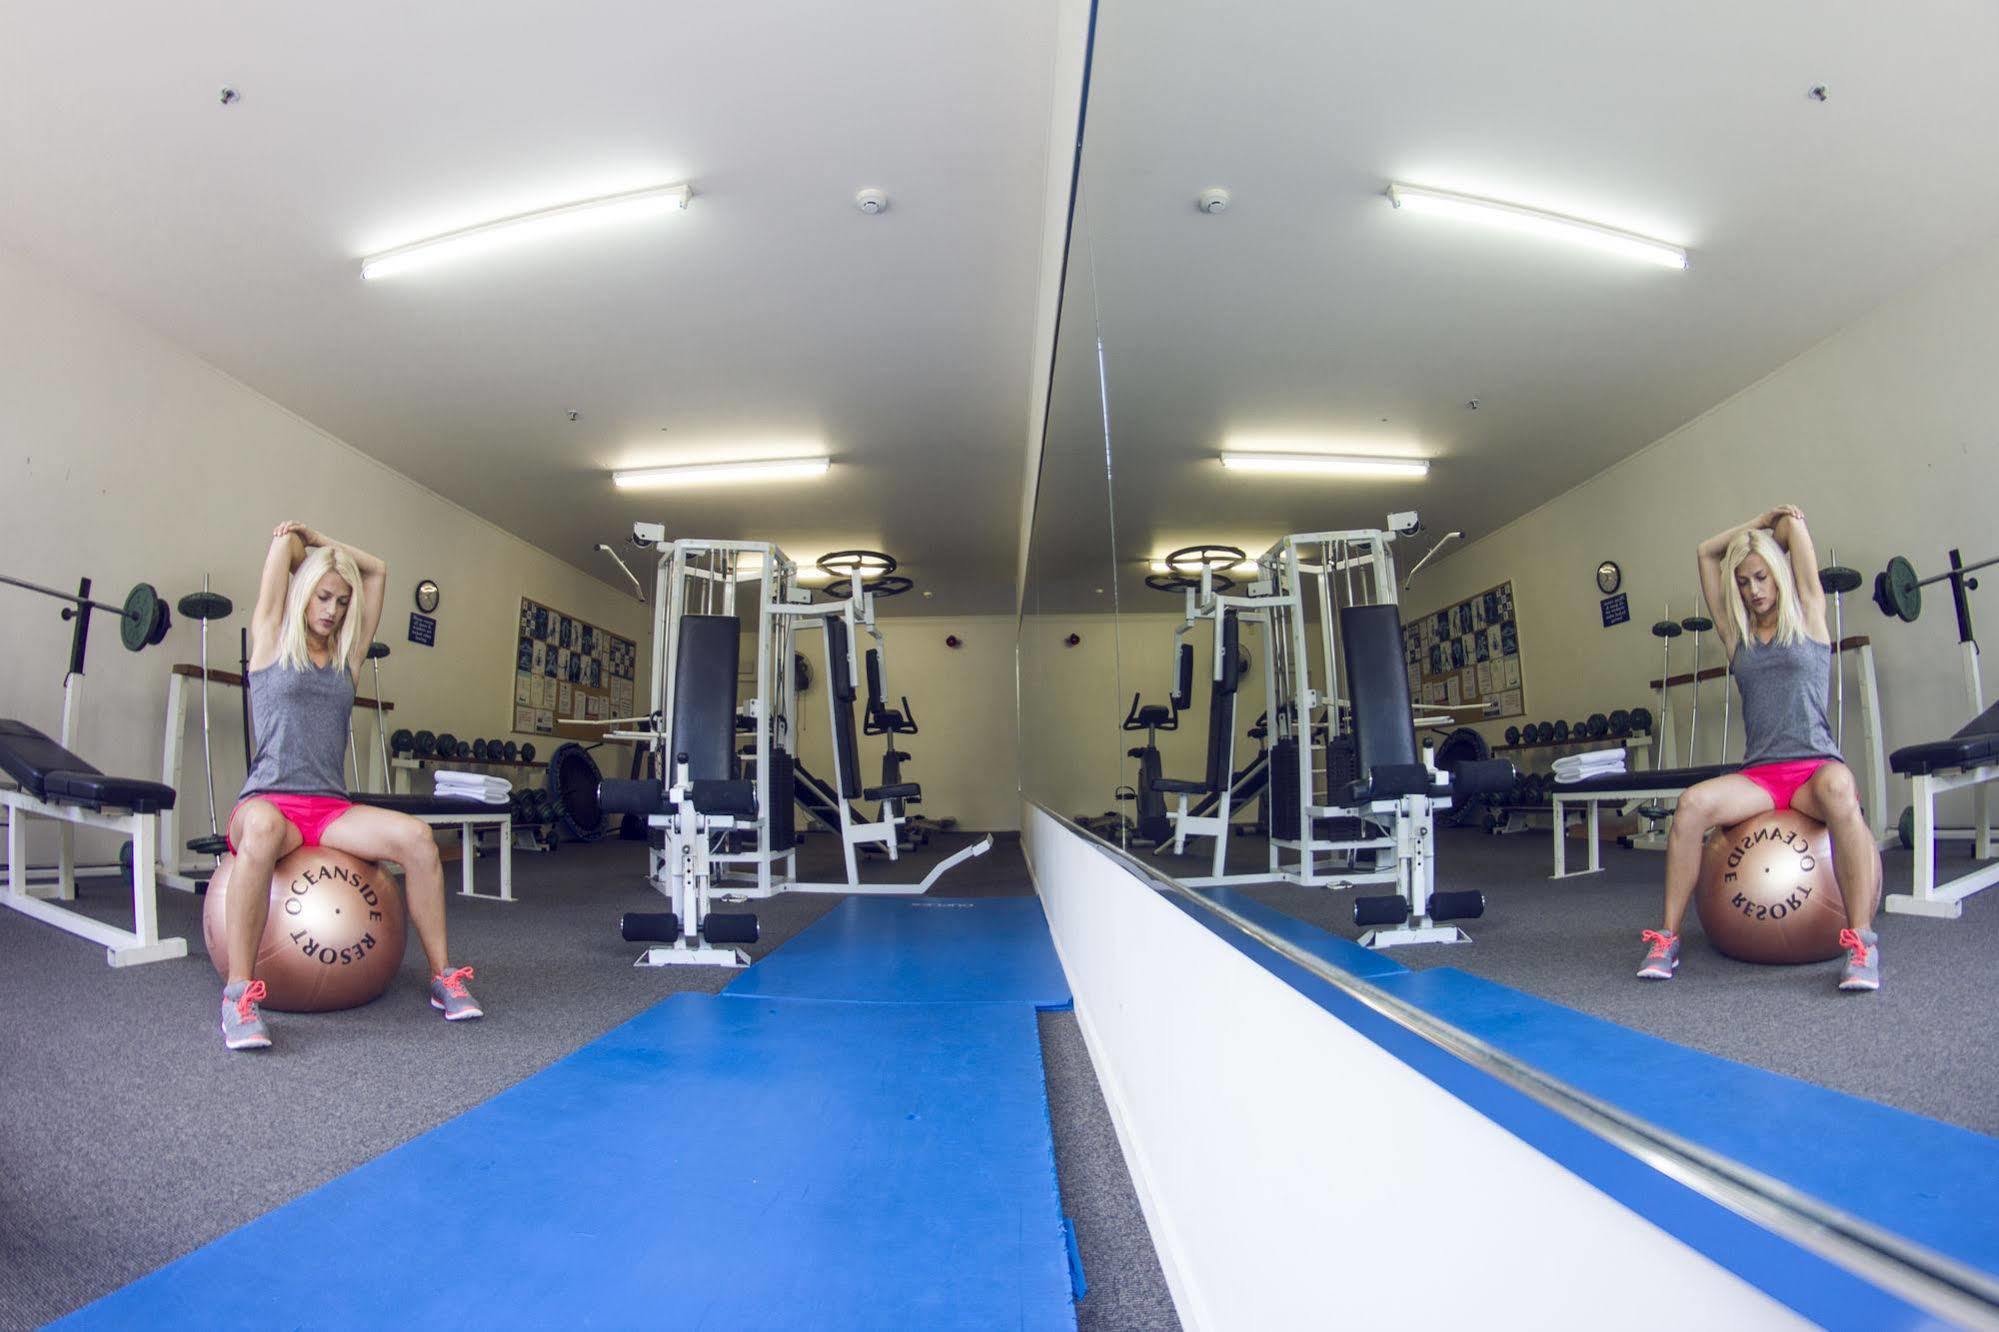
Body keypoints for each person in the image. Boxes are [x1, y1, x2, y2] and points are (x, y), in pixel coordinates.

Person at [220, 521, 482, 1050]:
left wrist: (326, 543)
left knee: (417, 839)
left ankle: (442, 977)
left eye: (341, 602)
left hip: (330, 809)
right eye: (323, 597)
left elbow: (378, 570)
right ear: (301, 592)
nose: (333, 611)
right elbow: (282, 546)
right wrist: (307, 544)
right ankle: (238, 996)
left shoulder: (346, 658)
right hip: (268, 801)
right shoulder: (270, 639)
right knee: (265, 830)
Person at [1636, 505, 1881, 991]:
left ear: (1780, 575)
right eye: (1745, 582)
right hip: (1762, 778)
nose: (1753, 590)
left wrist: (1772, 524)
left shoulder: (1811, 614)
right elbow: (1706, 553)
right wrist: (1752, 528)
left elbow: (1796, 528)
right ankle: (1666, 938)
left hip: (1814, 769)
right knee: (1691, 805)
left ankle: (1862, 943)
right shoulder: (1737, 635)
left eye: (1762, 577)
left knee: (1839, 791)